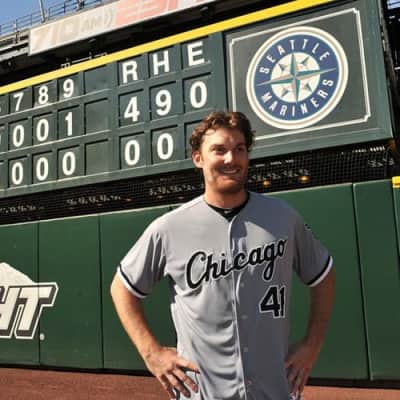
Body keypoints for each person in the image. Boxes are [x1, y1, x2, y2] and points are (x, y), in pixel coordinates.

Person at [110, 111, 335, 400]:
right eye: (219, 150)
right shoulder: (169, 228)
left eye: (239, 149)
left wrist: (312, 345)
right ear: (198, 158)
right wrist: (151, 353)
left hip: (274, 389)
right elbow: (122, 288)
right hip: (203, 392)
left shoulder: (283, 218)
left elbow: (324, 275)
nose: (231, 159)